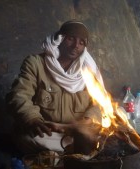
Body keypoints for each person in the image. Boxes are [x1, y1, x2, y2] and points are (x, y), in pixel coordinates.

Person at [6, 20, 104, 155]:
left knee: (105, 135)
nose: (76, 46)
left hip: (76, 133)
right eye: (71, 39)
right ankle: (67, 155)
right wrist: (32, 119)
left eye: (81, 42)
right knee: (27, 137)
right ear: (59, 39)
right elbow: (19, 95)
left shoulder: (89, 70)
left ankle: (62, 155)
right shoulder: (35, 64)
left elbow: (99, 103)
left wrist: (86, 122)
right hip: (46, 133)